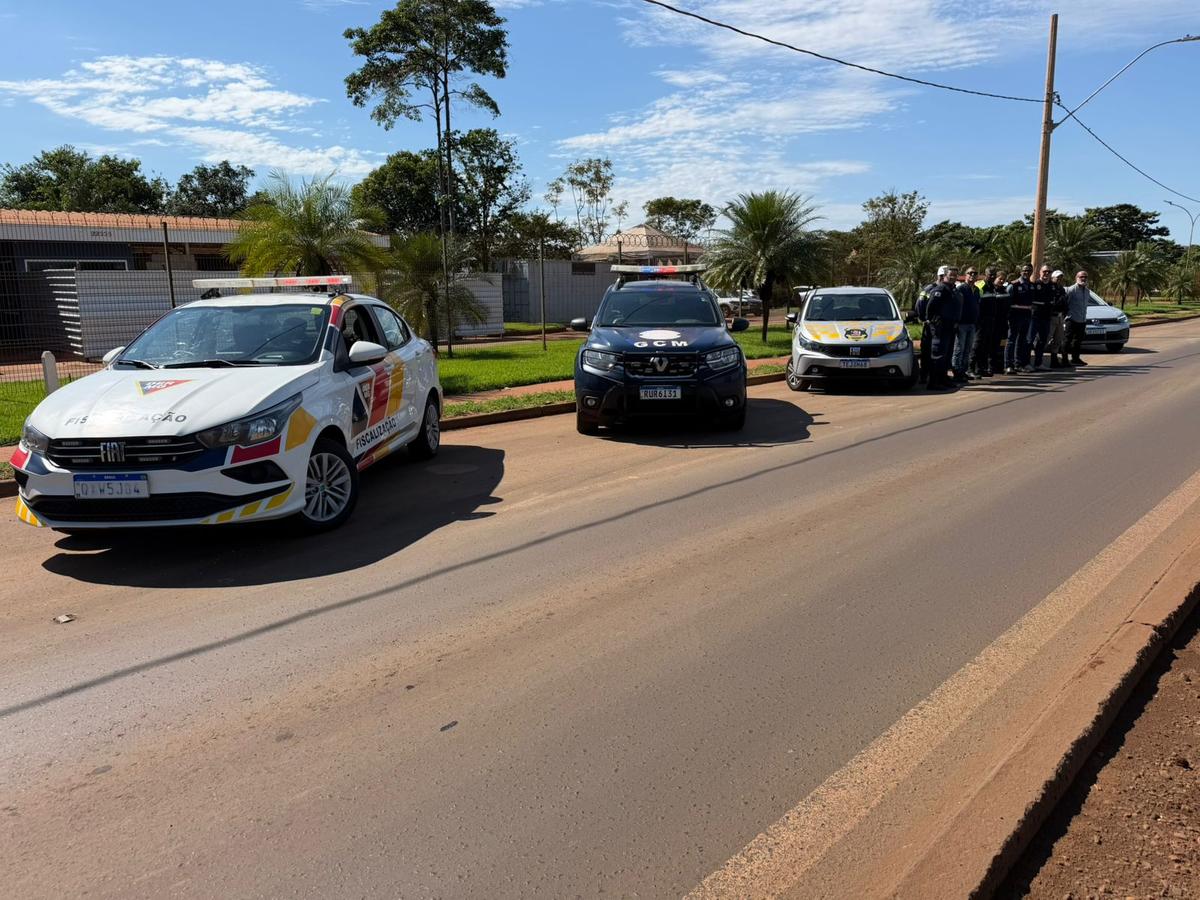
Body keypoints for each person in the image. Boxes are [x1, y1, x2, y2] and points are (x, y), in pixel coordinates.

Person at [923, 265, 961, 390]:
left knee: (946, 354)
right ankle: (934, 382)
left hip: (950, 327)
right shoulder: (940, 289)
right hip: (940, 327)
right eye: (951, 275)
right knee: (938, 355)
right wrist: (933, 321)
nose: (953, 277)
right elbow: (931, 307)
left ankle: (943, 378)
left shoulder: (952, 289)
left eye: (955, 275)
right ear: (945, 276)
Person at [1006, 264, 1036, 373]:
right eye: (1024, 270)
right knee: (1011, 341)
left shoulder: (1032, 286)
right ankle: (1008, 365)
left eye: (1029, 271)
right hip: (1015, 317)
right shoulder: (1013, 285)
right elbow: (1007, 303)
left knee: (1022, 341)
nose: (1027, 273)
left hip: (1027, 317)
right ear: (1020, 272)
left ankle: (1018, 364)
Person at [952, 266, 980, 382]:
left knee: (968, 349)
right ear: (966, 275)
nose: (972, 275)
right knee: (959, 349)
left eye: (975, 273)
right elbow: (956, 306)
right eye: (970, 273)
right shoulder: (961, 288)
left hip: (972, 324)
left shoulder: (977, 290)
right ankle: (957, 372)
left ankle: (963, 371)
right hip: (962, 324)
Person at [971, 266, 998, 377]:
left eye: (994, 274)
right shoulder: (980, 285)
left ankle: (981, 368)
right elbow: (976, 303)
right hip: (981, 320)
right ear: (985, 274)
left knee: (986, 345)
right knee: (977, 345)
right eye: (990, 274)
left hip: (990, 319)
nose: (992, 276)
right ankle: (971, 368)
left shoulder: (992, 286)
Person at [1029, 264, 1055, 370]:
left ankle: (1038, 363)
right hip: (1035, 317)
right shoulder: (1035, 284)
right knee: (1029, 340)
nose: (1047, 274)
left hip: (1046, 317)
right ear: (1040, 272)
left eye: (1049, 272)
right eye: (1044, 271)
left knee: (1042, 341)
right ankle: (1025, 363)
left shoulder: (1052, 286)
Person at [1062, 270, 1091, 367]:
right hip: (1071, 319)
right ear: (1076, 278)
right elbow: (1065, 304)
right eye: (1081, 277)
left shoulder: (1087, 291)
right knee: (1067, 340)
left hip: (1082, 320)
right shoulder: (1071, 290)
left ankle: (1075, 358)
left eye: (1085, 277)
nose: (1083, 279)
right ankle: (1064, 359)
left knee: (1078, 341)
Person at [990, 271, 1011, 377]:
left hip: (1003, 324)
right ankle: (991, 366)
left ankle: (999, 366)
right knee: (992, 346)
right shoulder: (991, 290)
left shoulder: (1005, 291)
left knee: (1002, 344)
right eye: (1000, 279)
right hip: (994, 324)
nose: (1002, 281)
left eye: (1004, 279)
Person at [1047, 270, 1069, 368]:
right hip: (1051, 316)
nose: (1059, 279)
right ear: (1052, 278)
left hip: (1060, 317)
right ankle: (1037, 361)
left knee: (1058, 339)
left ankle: (1054, 360)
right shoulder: (1049, 288)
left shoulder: (1062, 289)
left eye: (1061, 277)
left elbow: (1064, 302)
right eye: (1057, 277)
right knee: (1046, 338)